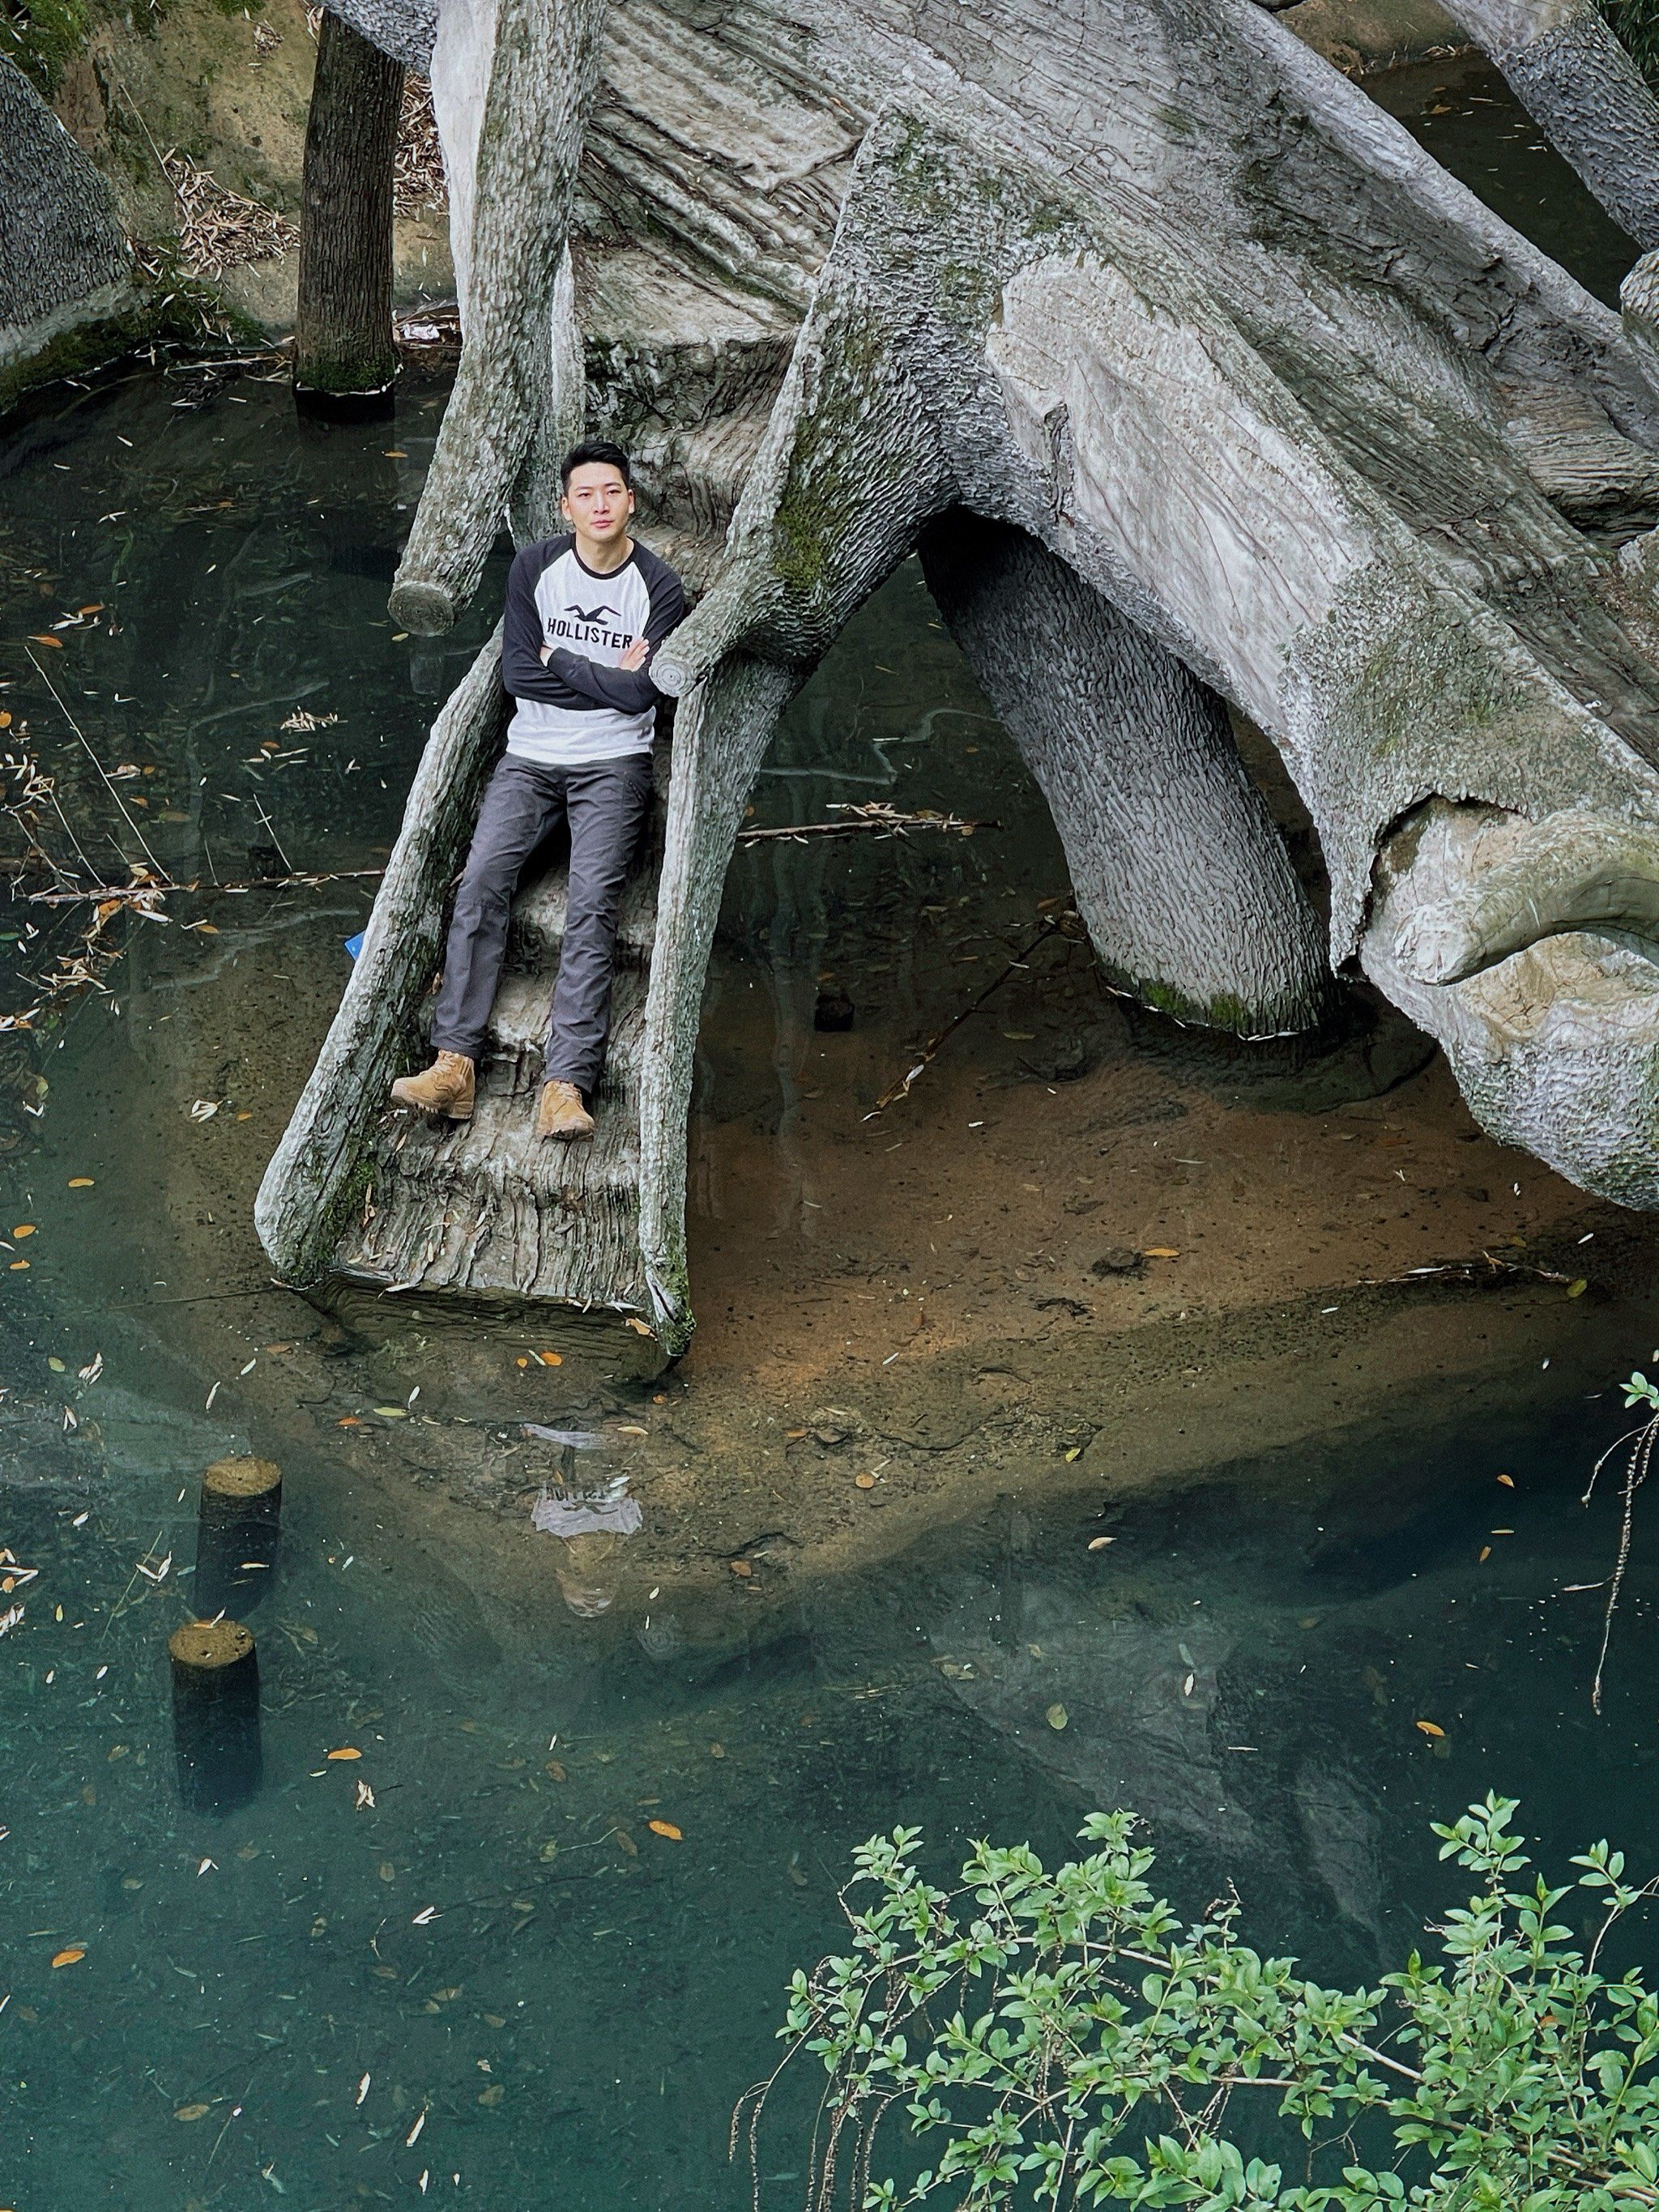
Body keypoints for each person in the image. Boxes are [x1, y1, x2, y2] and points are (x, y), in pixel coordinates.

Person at [390, 440, 686, 1140]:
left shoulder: (659, 586)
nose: (600, 505)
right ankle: (454, 1066)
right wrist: (606, 677)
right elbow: (520, 675)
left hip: (615, 764)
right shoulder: (534, 567)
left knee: (592, 904)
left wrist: (565, 659)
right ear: (565, 507)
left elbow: (642, 694)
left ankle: (565, 1085)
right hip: (530, 758)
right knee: (481, 881)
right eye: (586, 494)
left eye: (611, 492)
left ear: (631, 501)